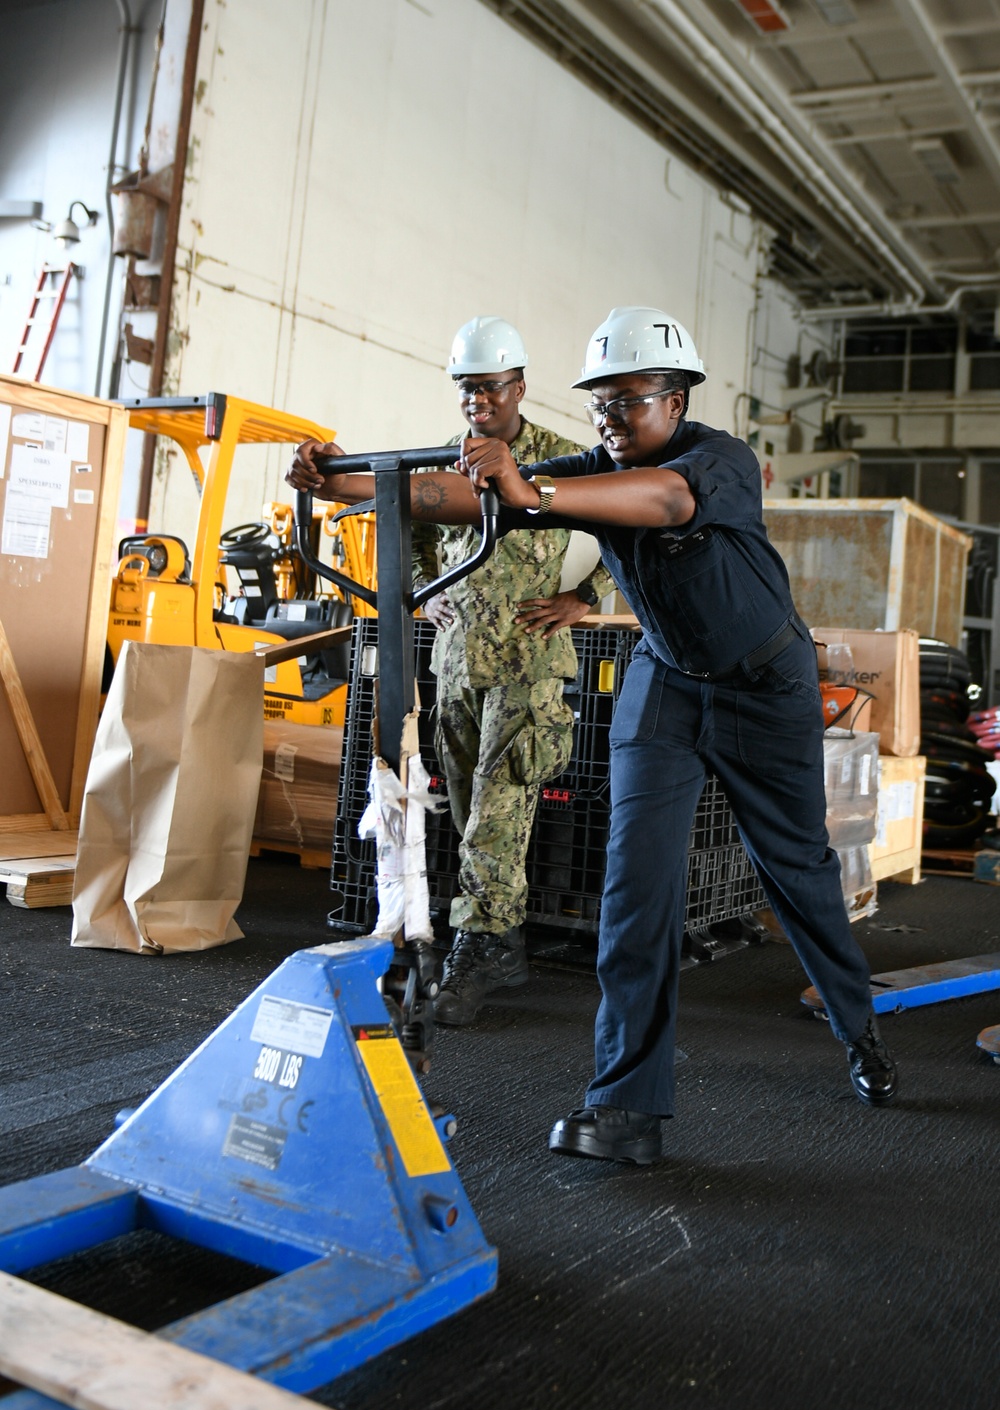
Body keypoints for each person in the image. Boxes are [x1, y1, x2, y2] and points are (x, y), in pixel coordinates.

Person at [287, 305, 898, 1164]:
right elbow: (465, 495)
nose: (612, 418)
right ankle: (626, 1105)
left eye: (632, 400)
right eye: (601, 403)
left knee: (794, 869)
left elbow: (664, 500)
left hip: (764, 684)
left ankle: (859, 1029)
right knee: (634, 887)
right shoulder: (588, 468)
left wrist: (533, 490)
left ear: (677, 400)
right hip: (668, 684)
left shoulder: (715, 461)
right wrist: (347, 485)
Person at [295, 315, 613, 1024]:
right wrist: (424, 590)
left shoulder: (562, 461)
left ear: (519, 387)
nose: (478, 402)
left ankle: (483, 940)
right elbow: (410, 534)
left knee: (496, 812)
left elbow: (622, 530)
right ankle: (501, 937)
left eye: (491, 389)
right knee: (472, 809)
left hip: (529, 662)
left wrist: (584, 596)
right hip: (460, 660)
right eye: (467, 390)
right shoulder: (437, 465)